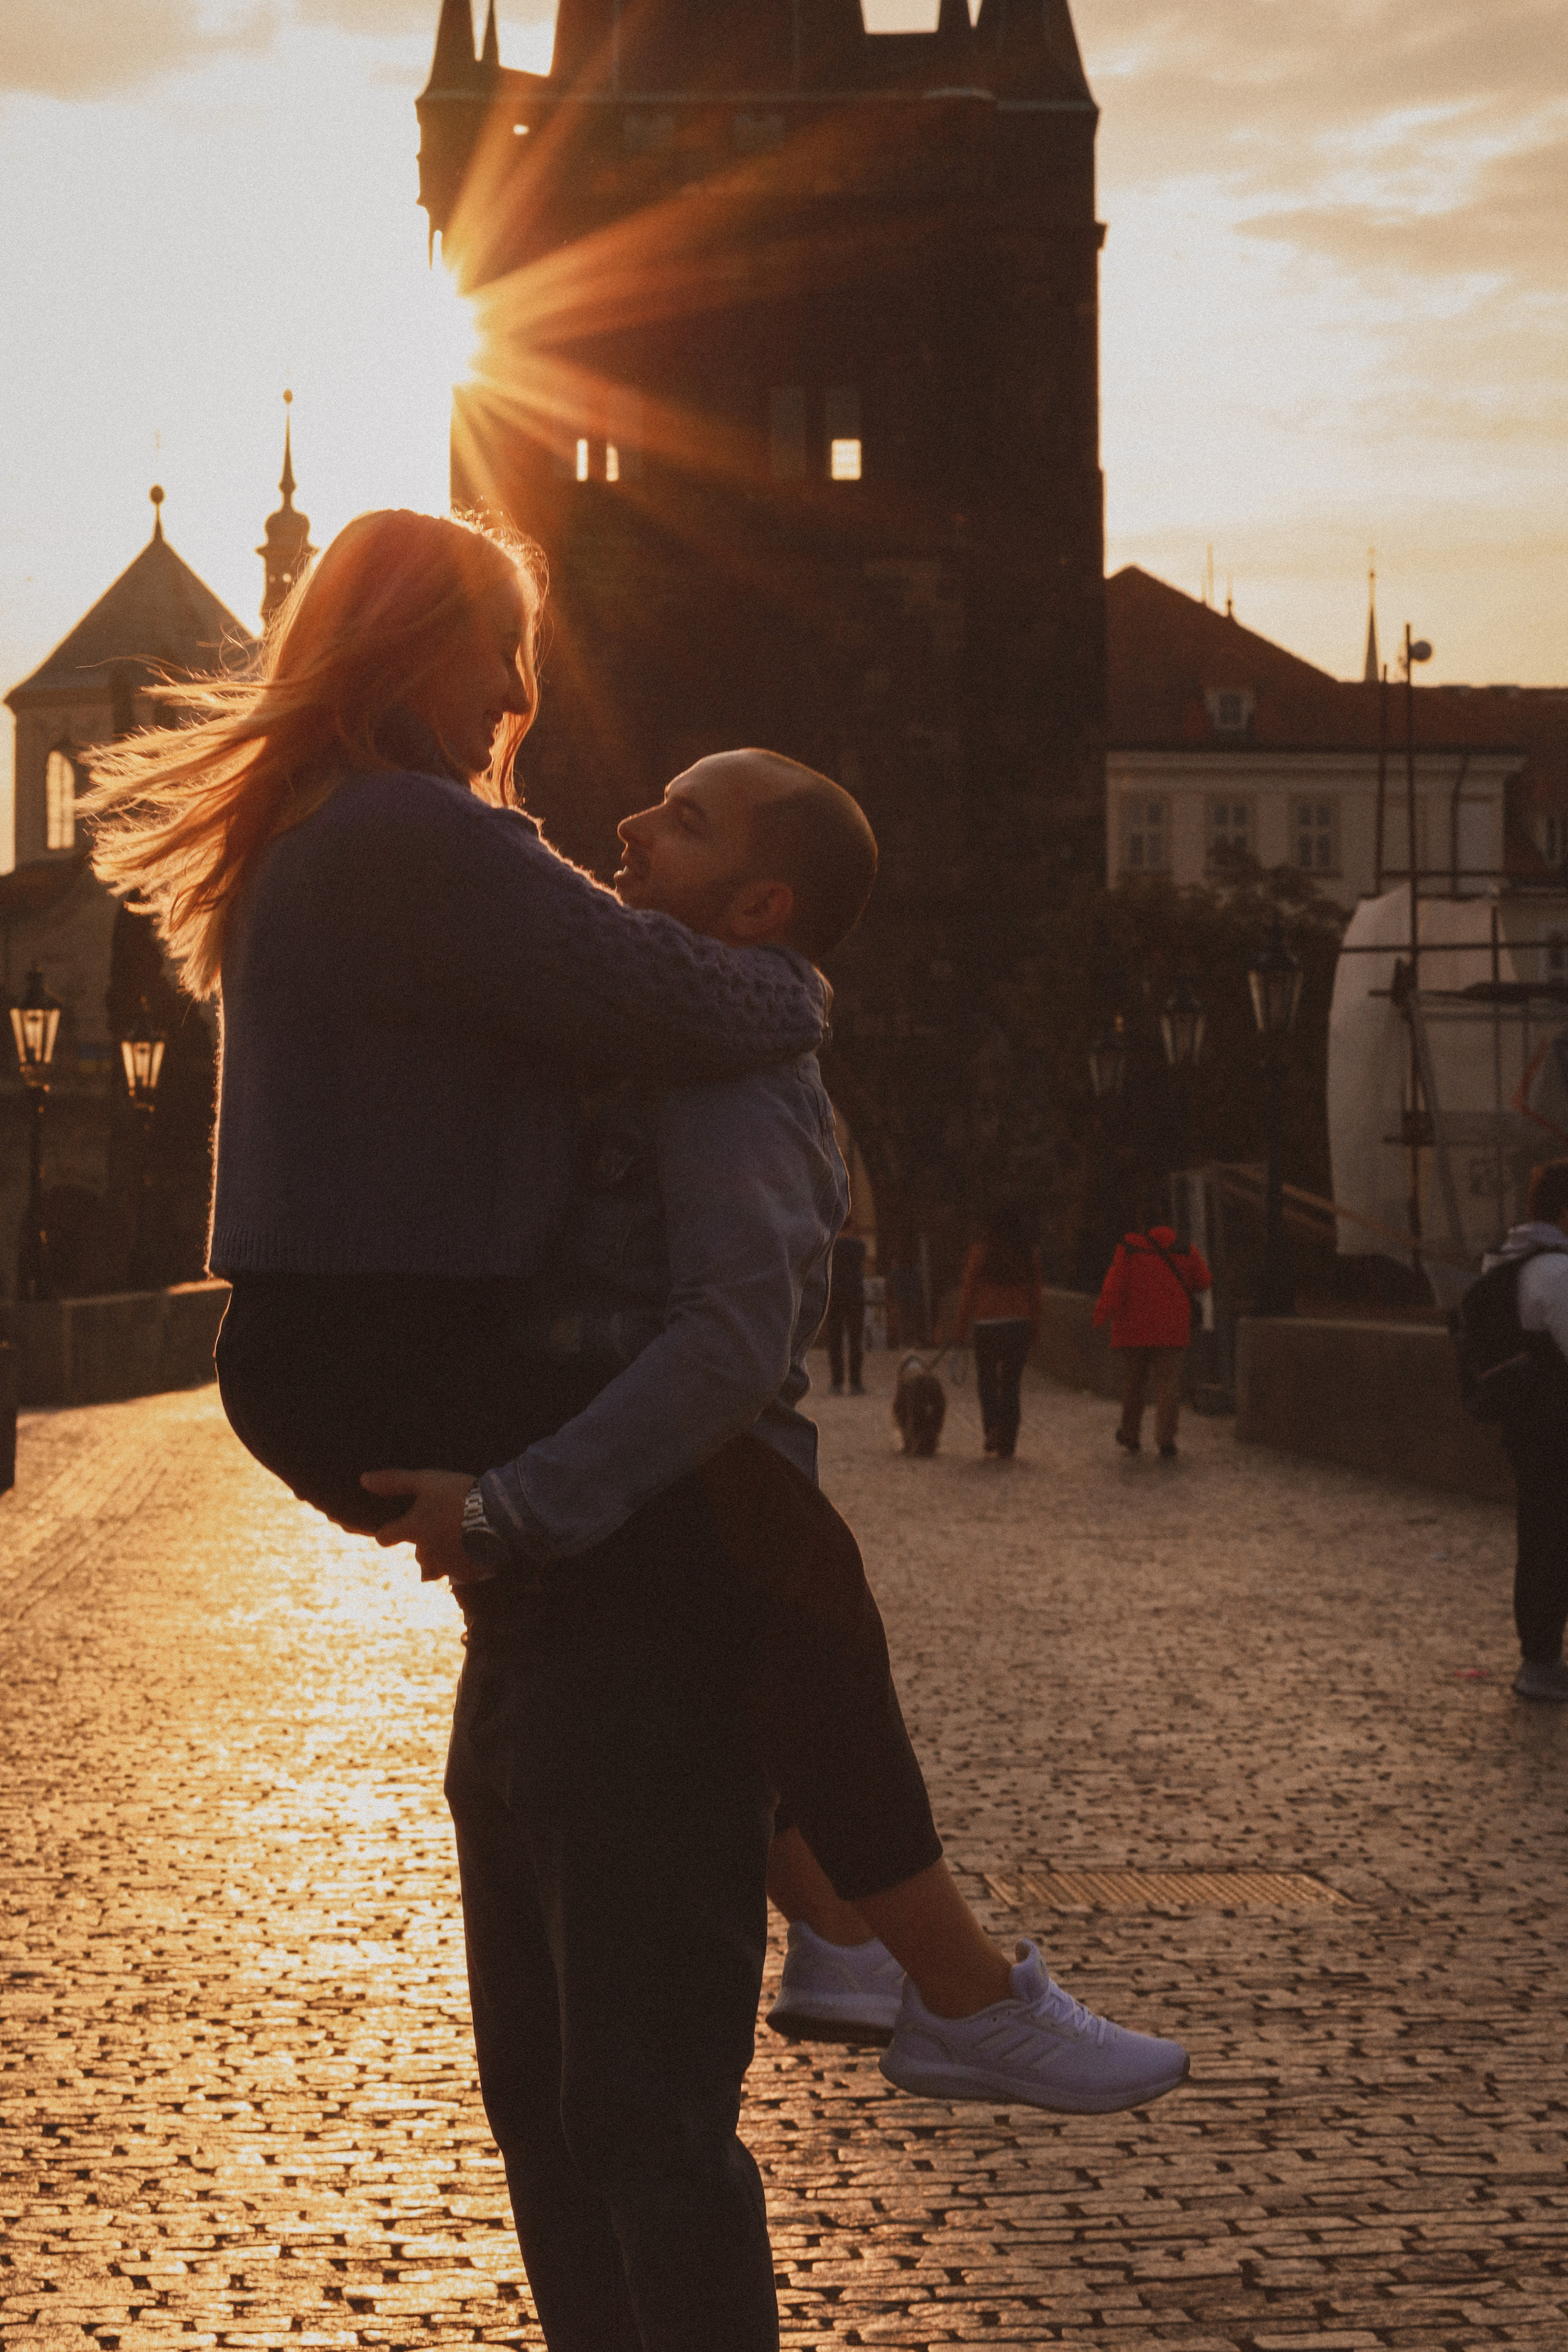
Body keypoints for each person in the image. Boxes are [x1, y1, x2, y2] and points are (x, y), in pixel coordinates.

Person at [1480, 1159, 1568, 1704]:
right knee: (1549, 1540)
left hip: (1528, 1422)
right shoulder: (1555, 1271)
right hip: (1559, 1421)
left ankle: (1538, 1658)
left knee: (1540, 1537)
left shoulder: (1505, 1258)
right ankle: (1540, 1664)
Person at [1093, 1206, 1212, 1458]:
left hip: (1134, 1329)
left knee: (1134, 1384)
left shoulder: (1130, 1247)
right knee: (1168, 1385)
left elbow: (1115, 1281)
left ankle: (1130, 1435)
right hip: (1171, 1330)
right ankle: (1165, 1439)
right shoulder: (1185, 1249)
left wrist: (1103, 1310)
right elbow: (1204, 1281)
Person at [954, 1206, 1044, 1458]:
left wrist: (960, 1327)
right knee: (1011, 1384)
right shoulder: (1029, 1253)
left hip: (987, 1325)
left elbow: (968, 1290)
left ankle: (992, 1428)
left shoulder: (982, 1251)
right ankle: (1009, 1437)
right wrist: (1035, 1327)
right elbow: (1036, 1295)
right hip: (1019, 1324)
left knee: (987, 1381)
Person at [824, 1223, 869, 1393]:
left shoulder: (830, 1246)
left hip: (835, 1297)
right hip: (855, 1297)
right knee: (856, 1341)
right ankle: (856, 1383)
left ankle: (837, 1382)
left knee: (835, 1341)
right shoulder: (859, 1246)